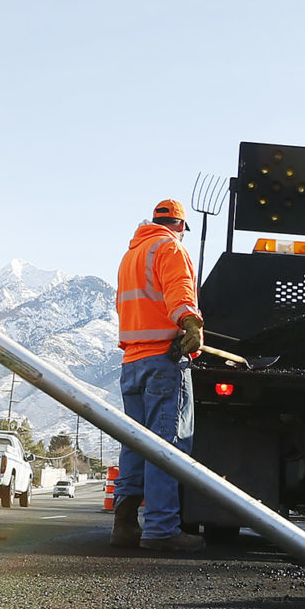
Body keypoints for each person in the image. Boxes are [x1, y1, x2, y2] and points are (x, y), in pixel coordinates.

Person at [113, 199, 204, 552]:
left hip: (131, 363)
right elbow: (178, 290)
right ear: (180, 225)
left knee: (134, 446)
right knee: (166, 447)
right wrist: (189, 323)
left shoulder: (131, 255)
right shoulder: (170, 247)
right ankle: (162, 530)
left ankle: (124, 525)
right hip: (163, 361)